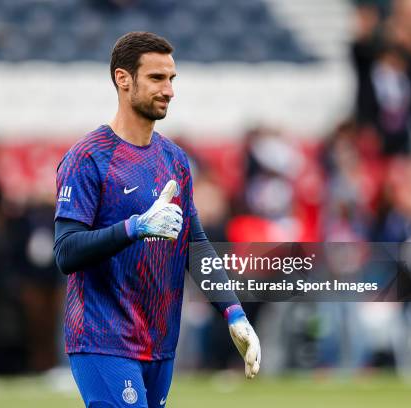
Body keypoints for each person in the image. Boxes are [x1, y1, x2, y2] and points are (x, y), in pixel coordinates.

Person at [53, 32, 261, 408]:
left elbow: (194, 244)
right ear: (123, 79)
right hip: (103, 337)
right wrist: (136, 226)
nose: (169, 90)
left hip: (160, 341)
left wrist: (233, 312)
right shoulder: (88, 157)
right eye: (156, 78)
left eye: (172, 79)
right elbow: (66, 251)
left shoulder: (175, 160)